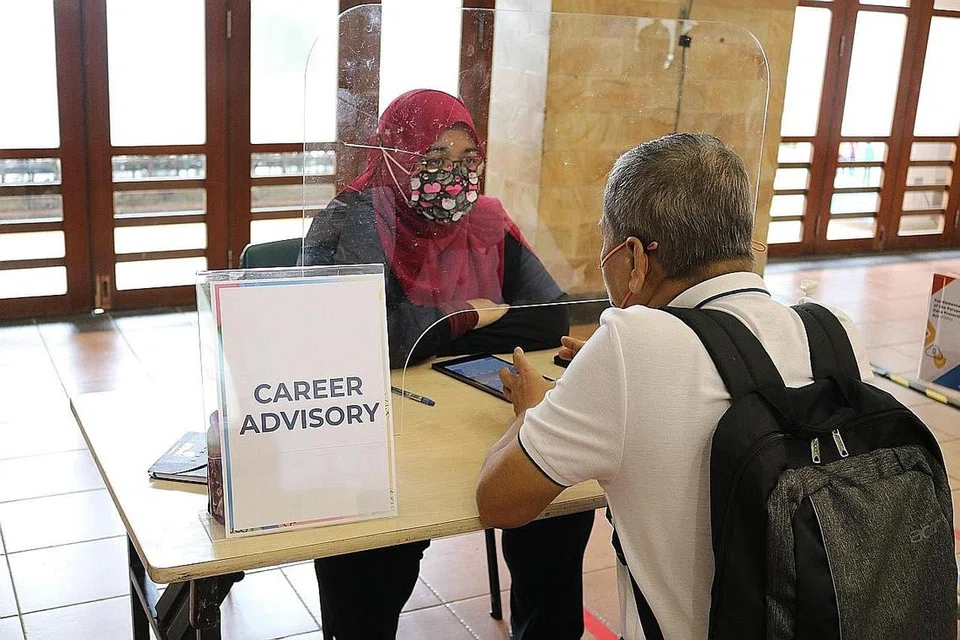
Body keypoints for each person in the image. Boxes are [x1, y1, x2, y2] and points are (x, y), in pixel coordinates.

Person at [475, 133, 873, 638]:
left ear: (636, 258)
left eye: (607, 244)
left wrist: (536, 408)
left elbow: (500, 503)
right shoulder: (834, 332)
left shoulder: (630, 344)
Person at [302, 88, 595, 639]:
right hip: (380, 427)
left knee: (560, 505)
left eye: (466, 161)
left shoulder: (484, 220)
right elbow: (368, 341)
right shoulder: (355, 221)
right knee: (373, 553)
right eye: (433, 160)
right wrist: (466, 316)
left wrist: (438, 325)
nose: (453, 176)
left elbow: (549, 316)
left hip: (471, 417)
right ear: (394, 155)